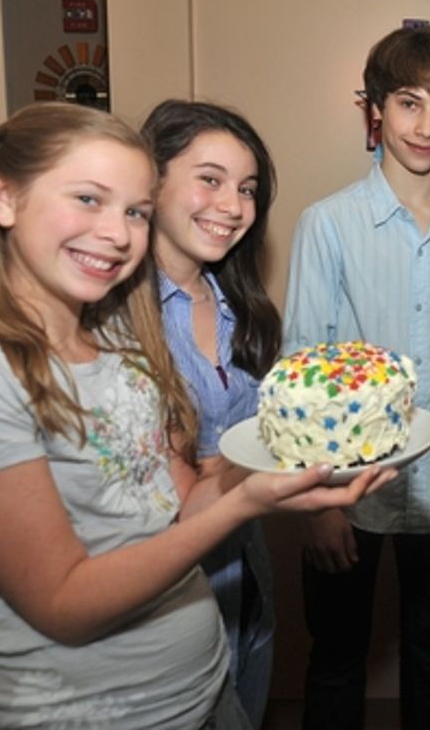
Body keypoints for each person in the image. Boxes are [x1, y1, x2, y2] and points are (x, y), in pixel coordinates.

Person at [0, 103, 392, 729]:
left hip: (207, 689)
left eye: (135, 211)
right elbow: (62, 603)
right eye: (88, 199)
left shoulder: (121, 344)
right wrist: (245, 503)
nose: (117, 233)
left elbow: (185, 500)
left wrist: (297, 471)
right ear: (2, 196)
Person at [282, 24, 430, 730]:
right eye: (409, 103)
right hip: (346, 486)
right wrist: (317, 503)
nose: (427, 126)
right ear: (375, 109)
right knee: (337, 656)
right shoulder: (328, 224)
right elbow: (301, 367)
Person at [143, 100, 281, 728]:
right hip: (162, 598)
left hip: (246, 571)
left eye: (247, 189)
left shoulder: (239, 306)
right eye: (210, 179)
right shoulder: (114, 317)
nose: (232, 206)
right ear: (151, 179)